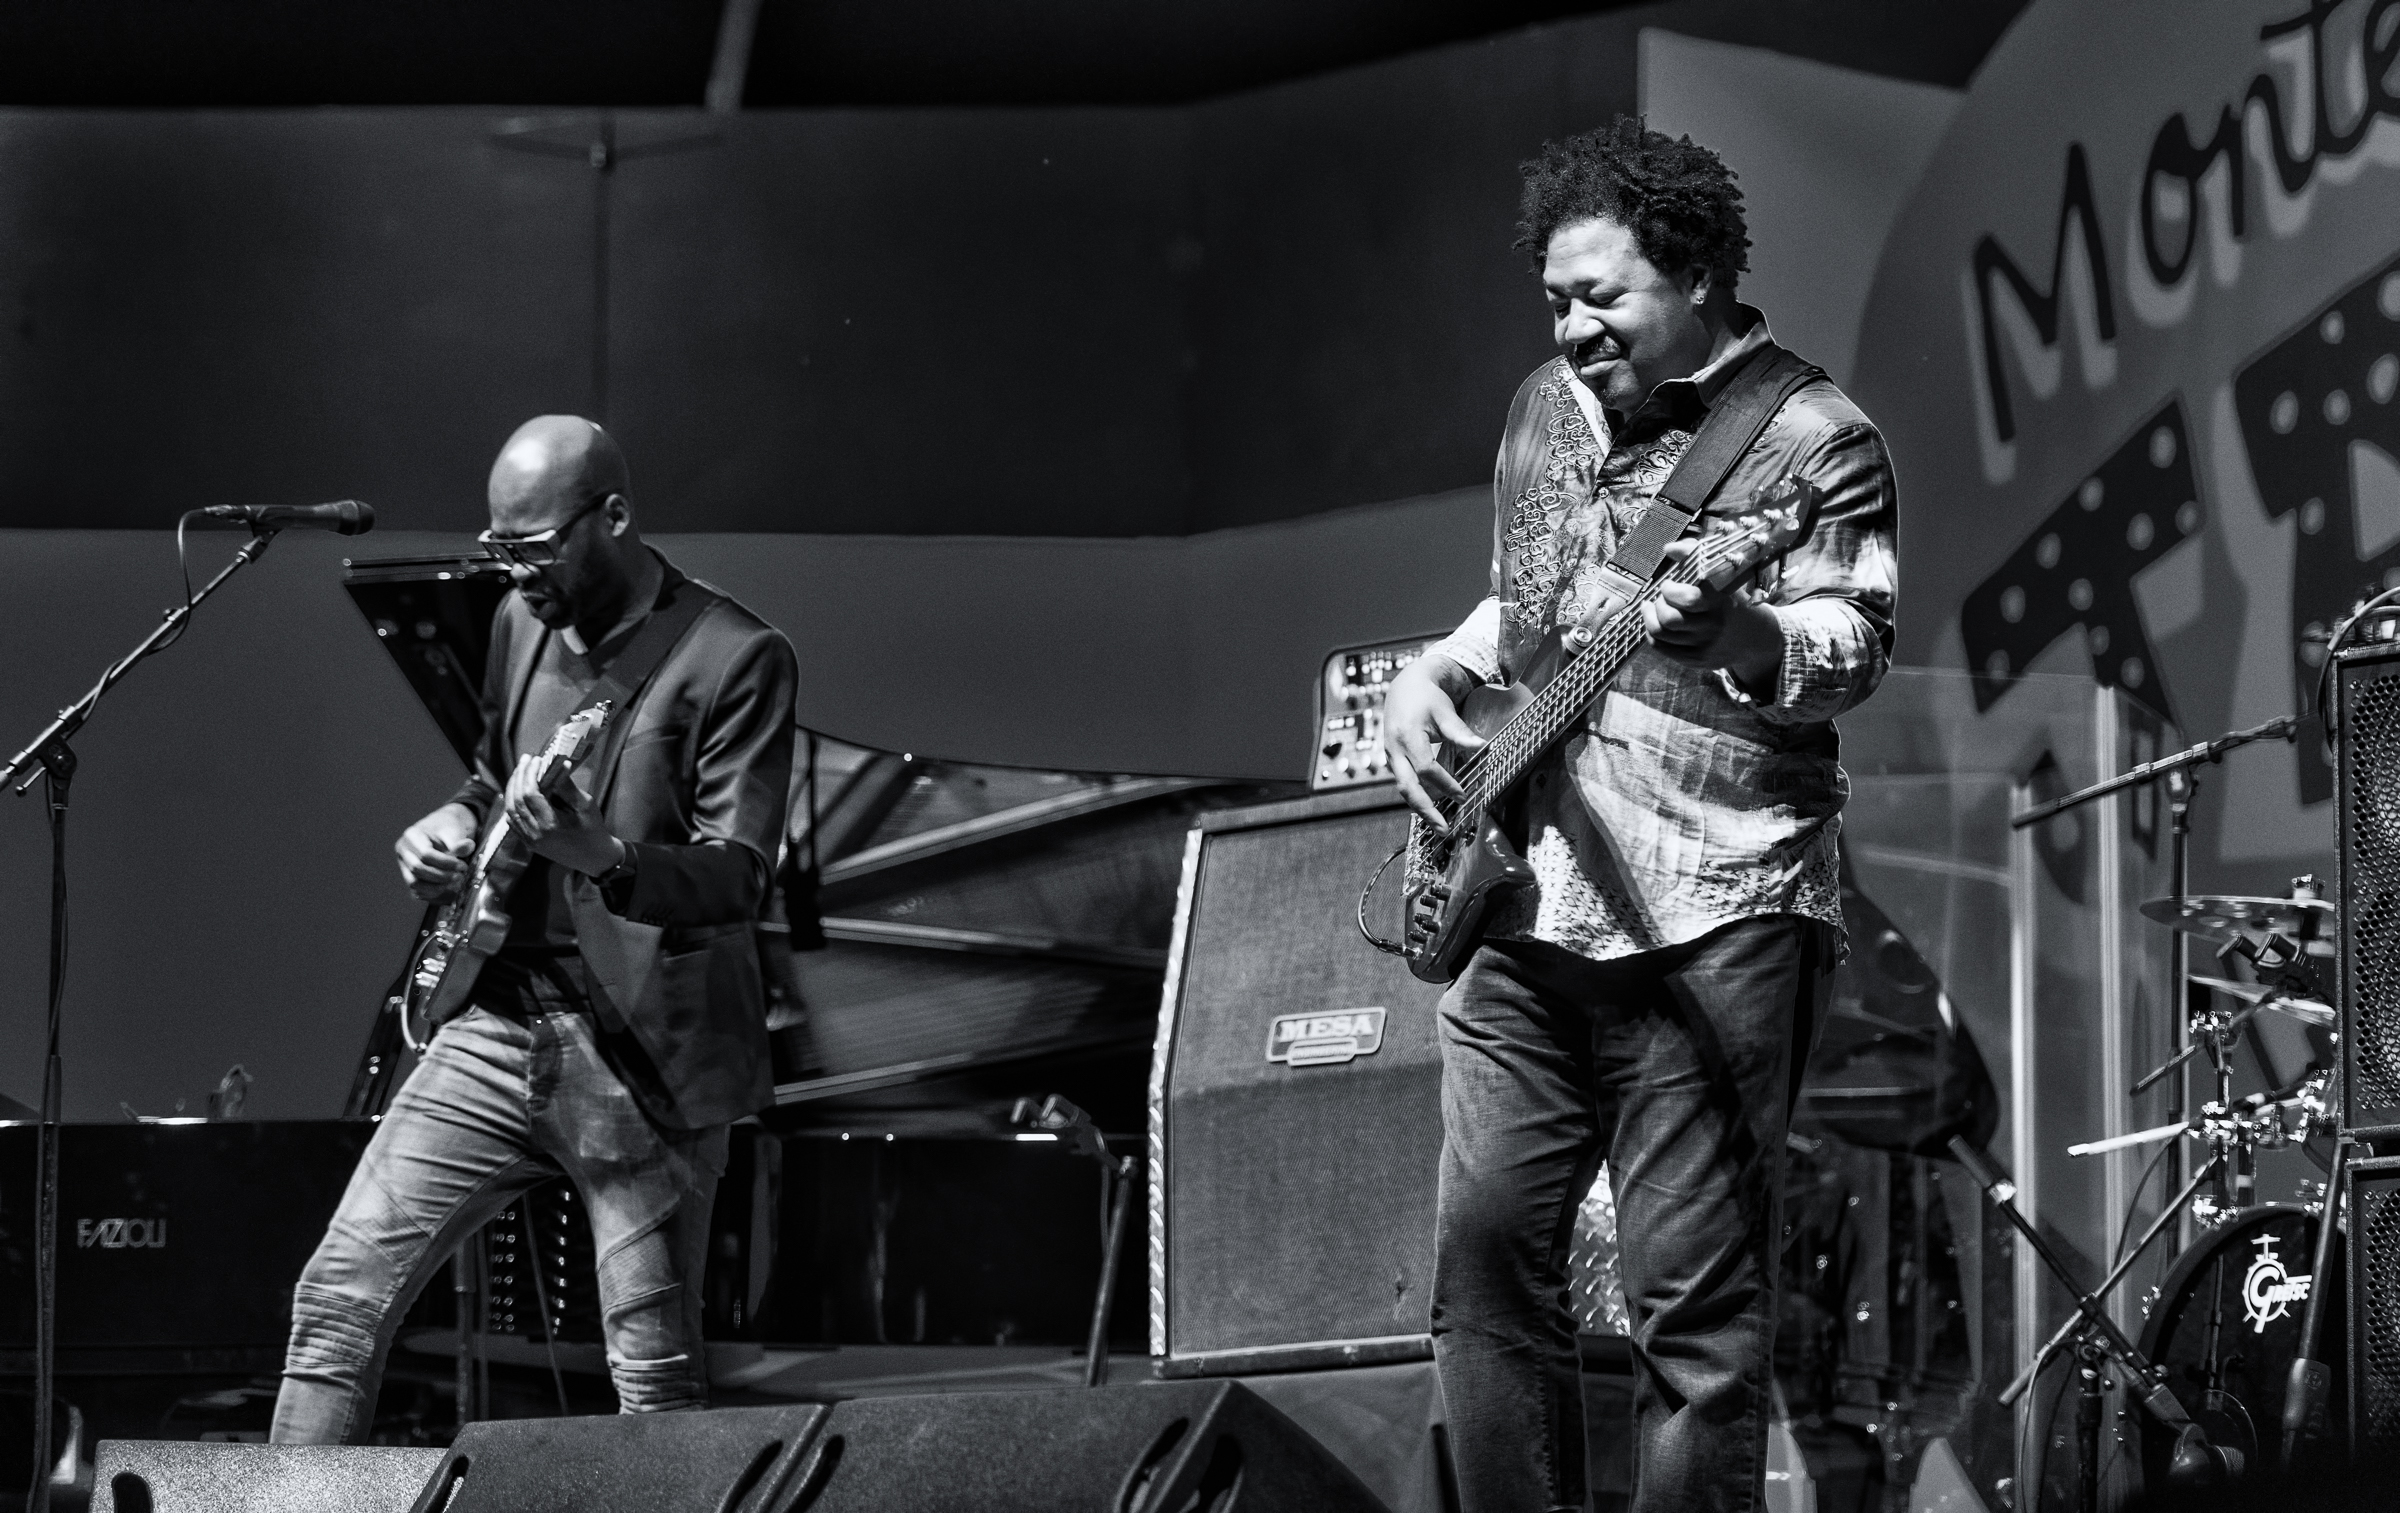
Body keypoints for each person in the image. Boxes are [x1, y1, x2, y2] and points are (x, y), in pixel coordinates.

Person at [1382, 119, 1897, 1513]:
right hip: (1523, 895)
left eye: (1599, 295)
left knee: (1693, 1323)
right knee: (1481, 1283)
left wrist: (1737, 635)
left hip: (1715, 914)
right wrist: (1441, 666)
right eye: (1556, 296)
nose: (1570, 323)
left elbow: (1852, 636)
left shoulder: (1813, 438)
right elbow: (1537, 600)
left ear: (1703, 274)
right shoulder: (1544, 411)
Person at [273, 416, 798, 1442]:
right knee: (333, 1307)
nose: (511, 573)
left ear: (614, 515)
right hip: (496, 1024)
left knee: (652, 1375)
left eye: (532, 546)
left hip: (644, 1058)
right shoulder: (521, 621)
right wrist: (451, 822)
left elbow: (739, 878)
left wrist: (601, 856)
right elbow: (485, 772)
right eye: (497, 546)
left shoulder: (737, 655)